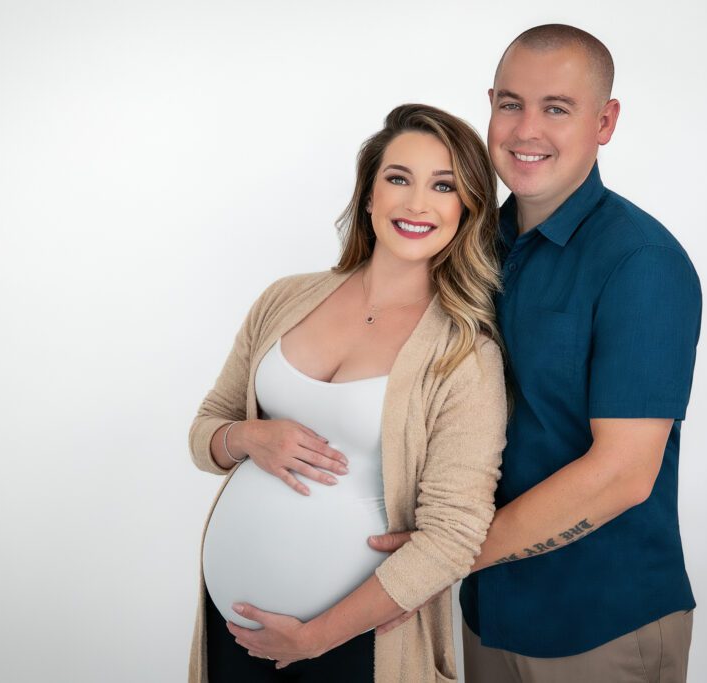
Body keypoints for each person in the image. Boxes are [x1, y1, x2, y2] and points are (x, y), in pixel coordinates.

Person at [370, 25, 702, 682]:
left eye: (557, 108)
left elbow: (623, 474)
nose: (527, 130)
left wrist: (438, 559)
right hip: (484, 610)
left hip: (599, 623)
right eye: (511, 104)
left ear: (604, 122)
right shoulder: (469, 244)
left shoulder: (642, 263)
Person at [186, 103, 508, 682]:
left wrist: (314, 639)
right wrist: (247, 437)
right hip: (231, 628)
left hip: (356, 647)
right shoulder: (285, 299)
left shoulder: (464, 354)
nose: (417, 204)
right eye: (399, 178)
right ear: (368, 195)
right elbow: (206, 430)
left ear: (466, 210)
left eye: (443, 186)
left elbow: (453, 535)